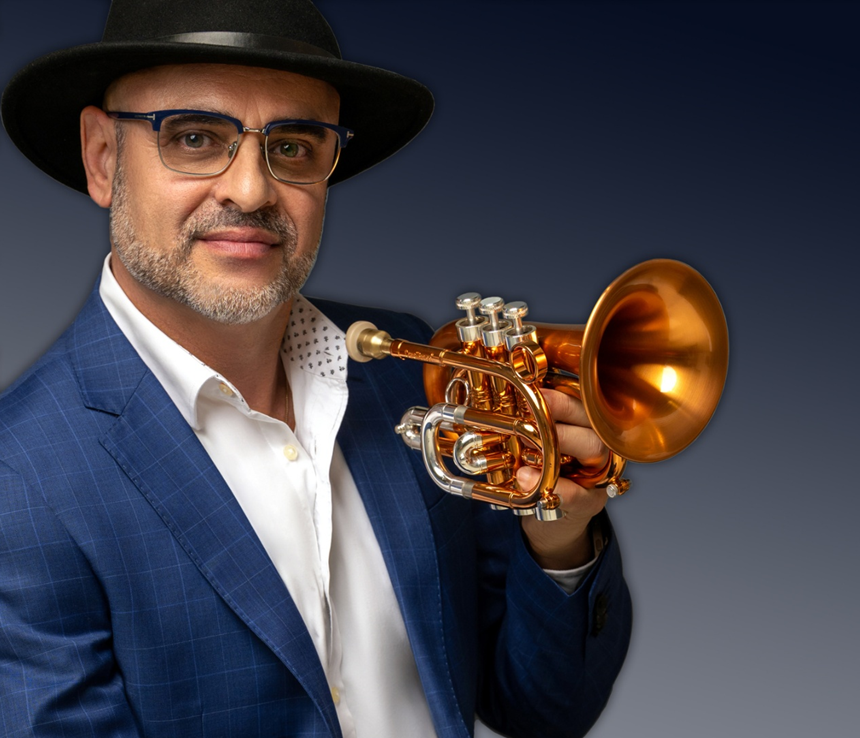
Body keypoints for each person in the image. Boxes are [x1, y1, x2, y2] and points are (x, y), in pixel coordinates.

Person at [0, 1, 631, 736]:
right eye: (195, 138)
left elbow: (544, 711)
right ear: (103, 158)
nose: (251, 190)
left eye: (294, 145)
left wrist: (559, 536)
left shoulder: (409, 371)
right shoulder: (19, 482)